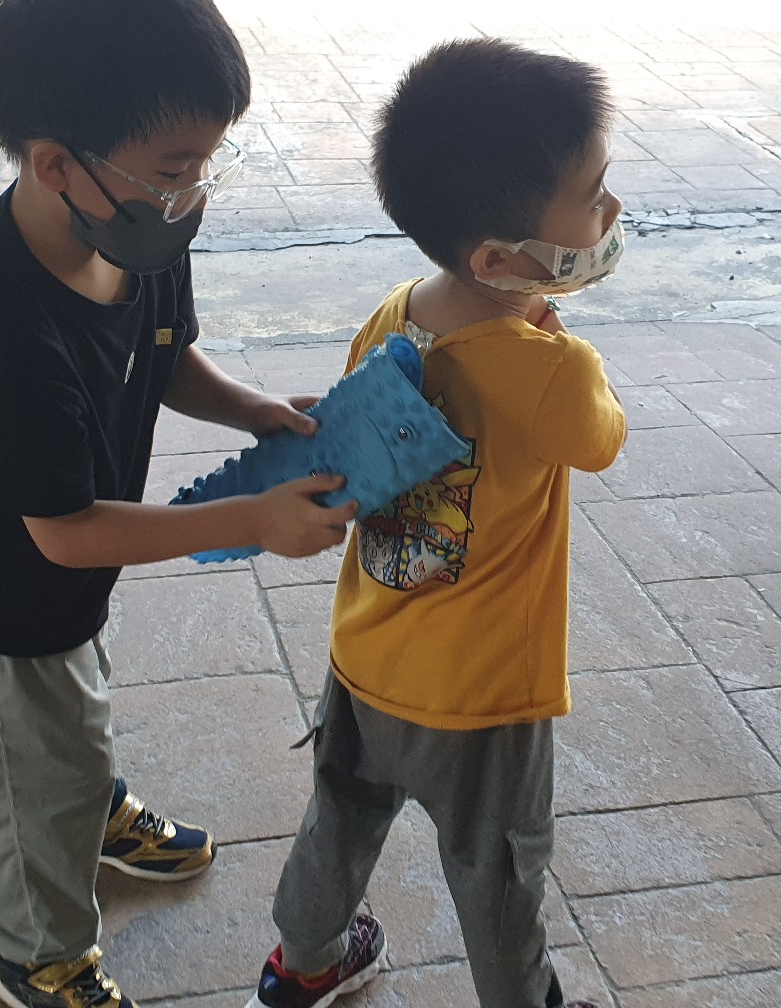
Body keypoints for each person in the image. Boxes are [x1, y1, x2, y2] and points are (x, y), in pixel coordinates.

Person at [0, 2, 358, 1006]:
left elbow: (165, 353)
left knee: (74, 711)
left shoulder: (135, 227)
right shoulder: (6, 330)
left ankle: (83, 801)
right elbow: (65, 534)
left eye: (206, 164)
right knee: (26, 761)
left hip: (64, 583)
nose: (192, 192)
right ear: (57, 163)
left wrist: (250, 408)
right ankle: (37, 953)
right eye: (175, 167)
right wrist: (251, 521)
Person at [245, 38, 628, 1008]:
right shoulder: (552, 370)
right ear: (498, 258)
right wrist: (560, 348)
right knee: (497, 873)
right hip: (484, 700)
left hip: (368, 659)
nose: (612, 211)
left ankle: (305, 963)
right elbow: (603, 439)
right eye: (593, 195)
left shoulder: (392, 314)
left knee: (338, 827)